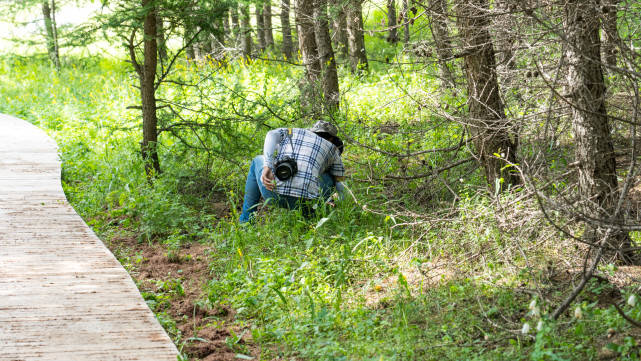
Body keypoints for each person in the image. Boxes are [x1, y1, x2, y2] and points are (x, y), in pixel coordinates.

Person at [239, 121, 346, 223]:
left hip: (272, 191)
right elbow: (341, 186)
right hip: (307, 203)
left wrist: (268, 165)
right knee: (333, 176)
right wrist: (338, 203)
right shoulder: (333, 150)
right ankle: (312, 215)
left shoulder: (293, 131)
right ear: (331, 139)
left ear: (312, 131)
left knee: (257, 160)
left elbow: (271, 135)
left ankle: (246, 221)